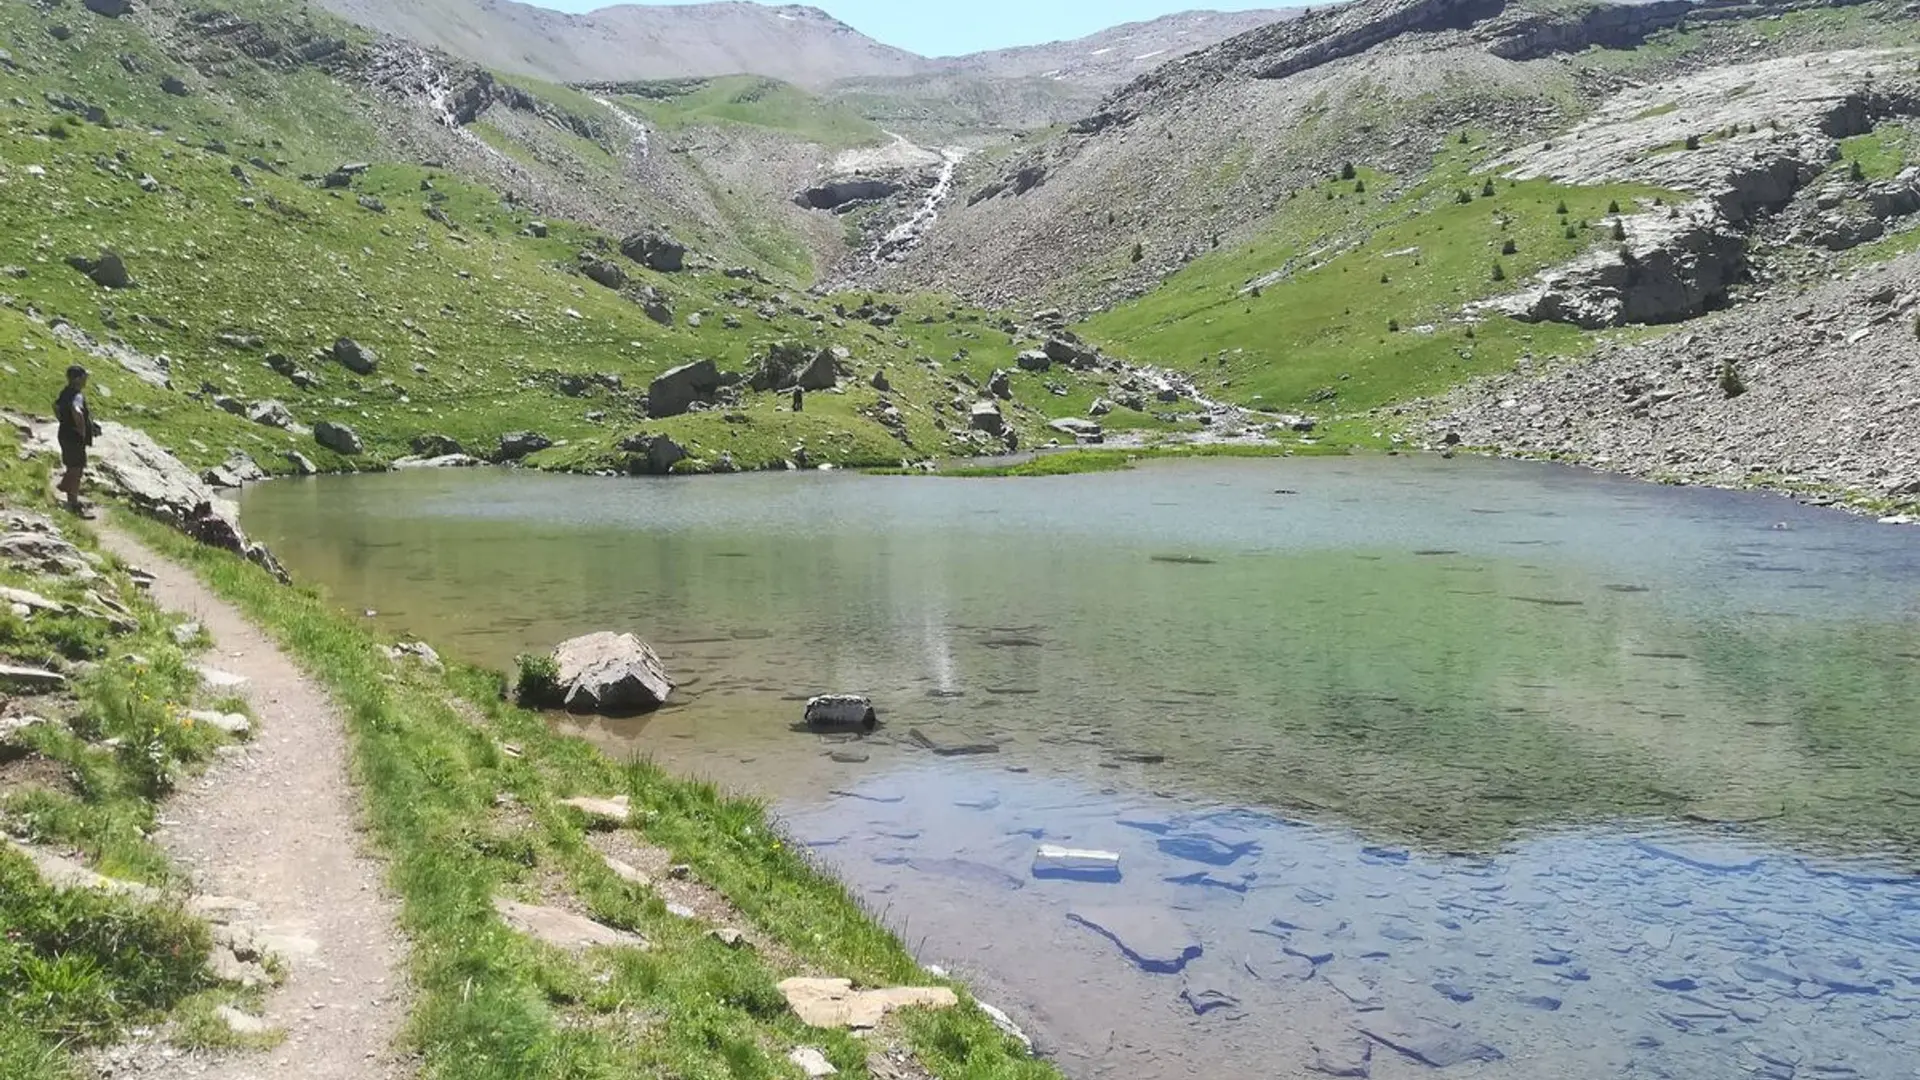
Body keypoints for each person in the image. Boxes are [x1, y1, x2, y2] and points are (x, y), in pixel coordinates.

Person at [54, 365, 98, 517]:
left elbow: (55, 406)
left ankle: (70, 497)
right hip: (74, 437)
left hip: (64, 434)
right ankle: (69, 495)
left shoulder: (65, 392)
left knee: (73, 466)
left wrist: (63, 420)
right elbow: (76, 410)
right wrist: (82, 430)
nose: (86, 379)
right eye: (84, 376)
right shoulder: (77, 395)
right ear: (77, 379)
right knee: (77, 469)